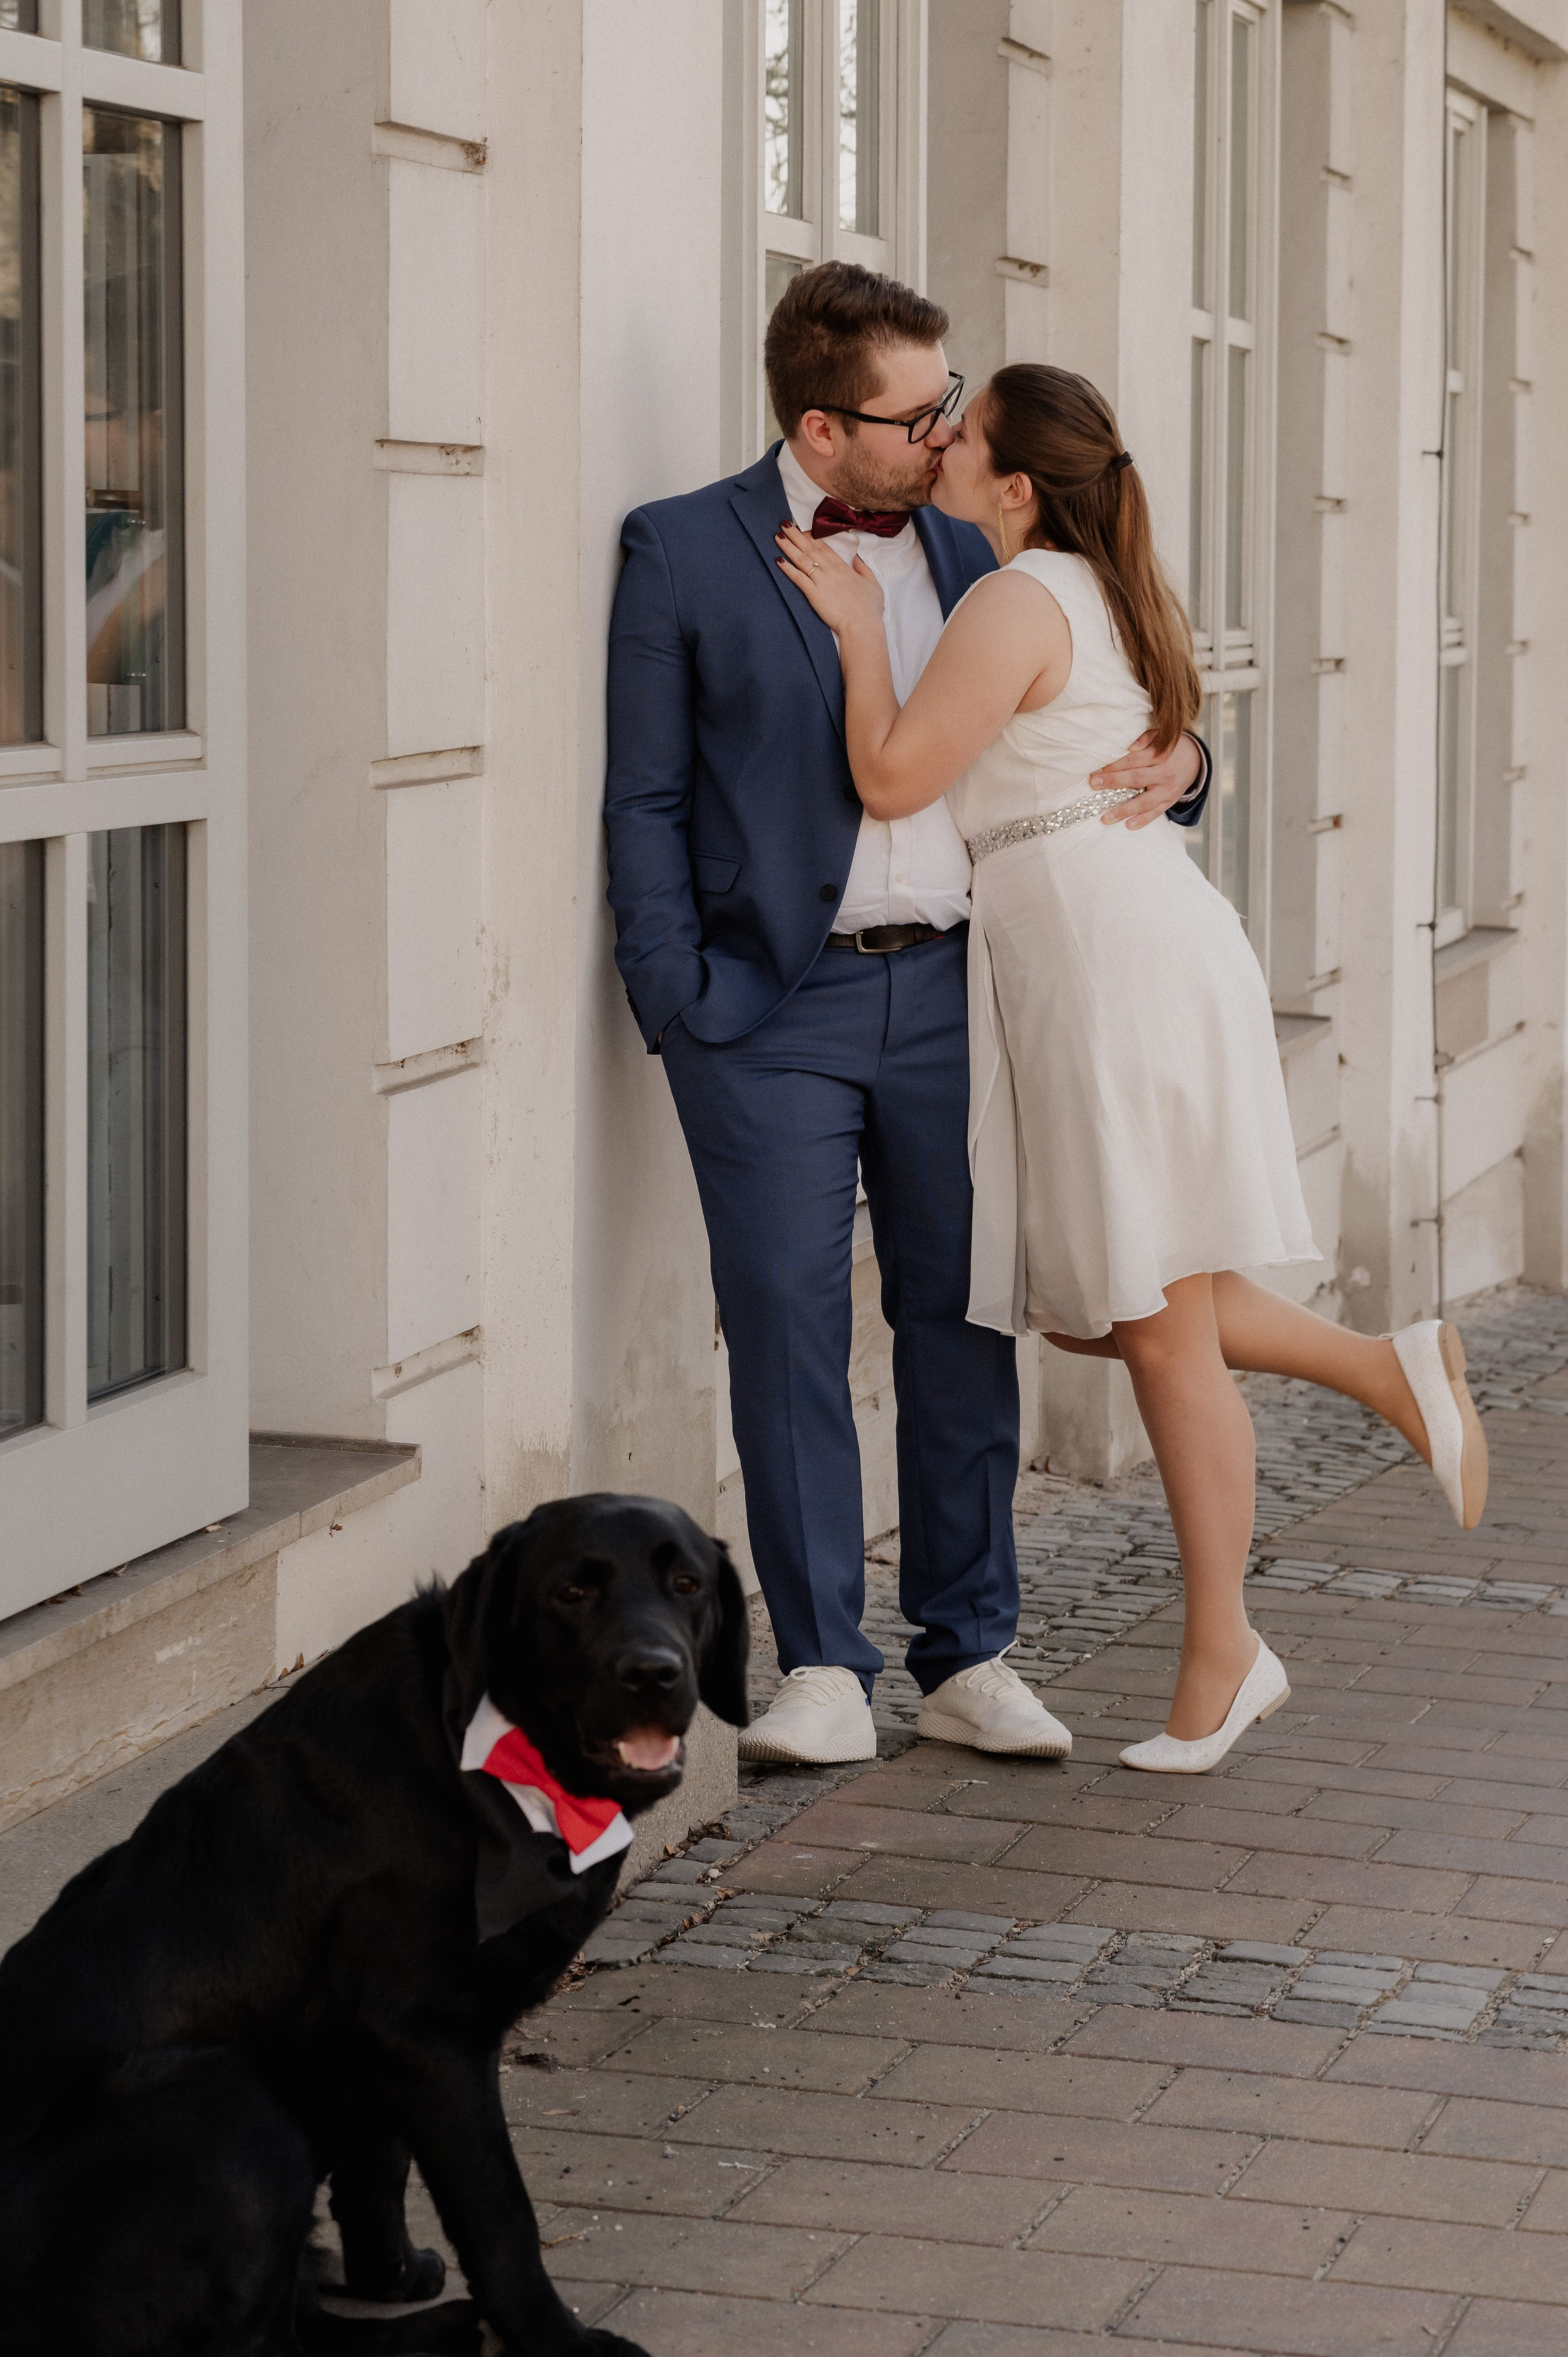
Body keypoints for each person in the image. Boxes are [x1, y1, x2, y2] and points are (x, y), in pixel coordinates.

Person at [777, 361, 1490, 1774]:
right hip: (1109, 943)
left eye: (961, 435)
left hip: (1105, 962)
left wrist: (857, 629)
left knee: (1151, 1322)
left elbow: (894, 774)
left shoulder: (1015, 592)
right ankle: (1382, 1370)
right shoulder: (1094, 587)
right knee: (1118, 1303)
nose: (939, 447)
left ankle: (1223, 1651)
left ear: (1015, 482)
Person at [603, 265, 1210, 1768]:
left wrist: (1189, 760)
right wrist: (678, 998)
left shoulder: (976, 544)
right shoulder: (681, 549)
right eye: (917, 408)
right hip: (766, 1008)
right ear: (821, 426)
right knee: (787, 1328)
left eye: (951, 401)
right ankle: (818, 1662)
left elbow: (1119, 677)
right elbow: (644, 797)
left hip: (959, 991)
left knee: (958, 1317)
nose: (945, 427)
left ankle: (968, 1650)